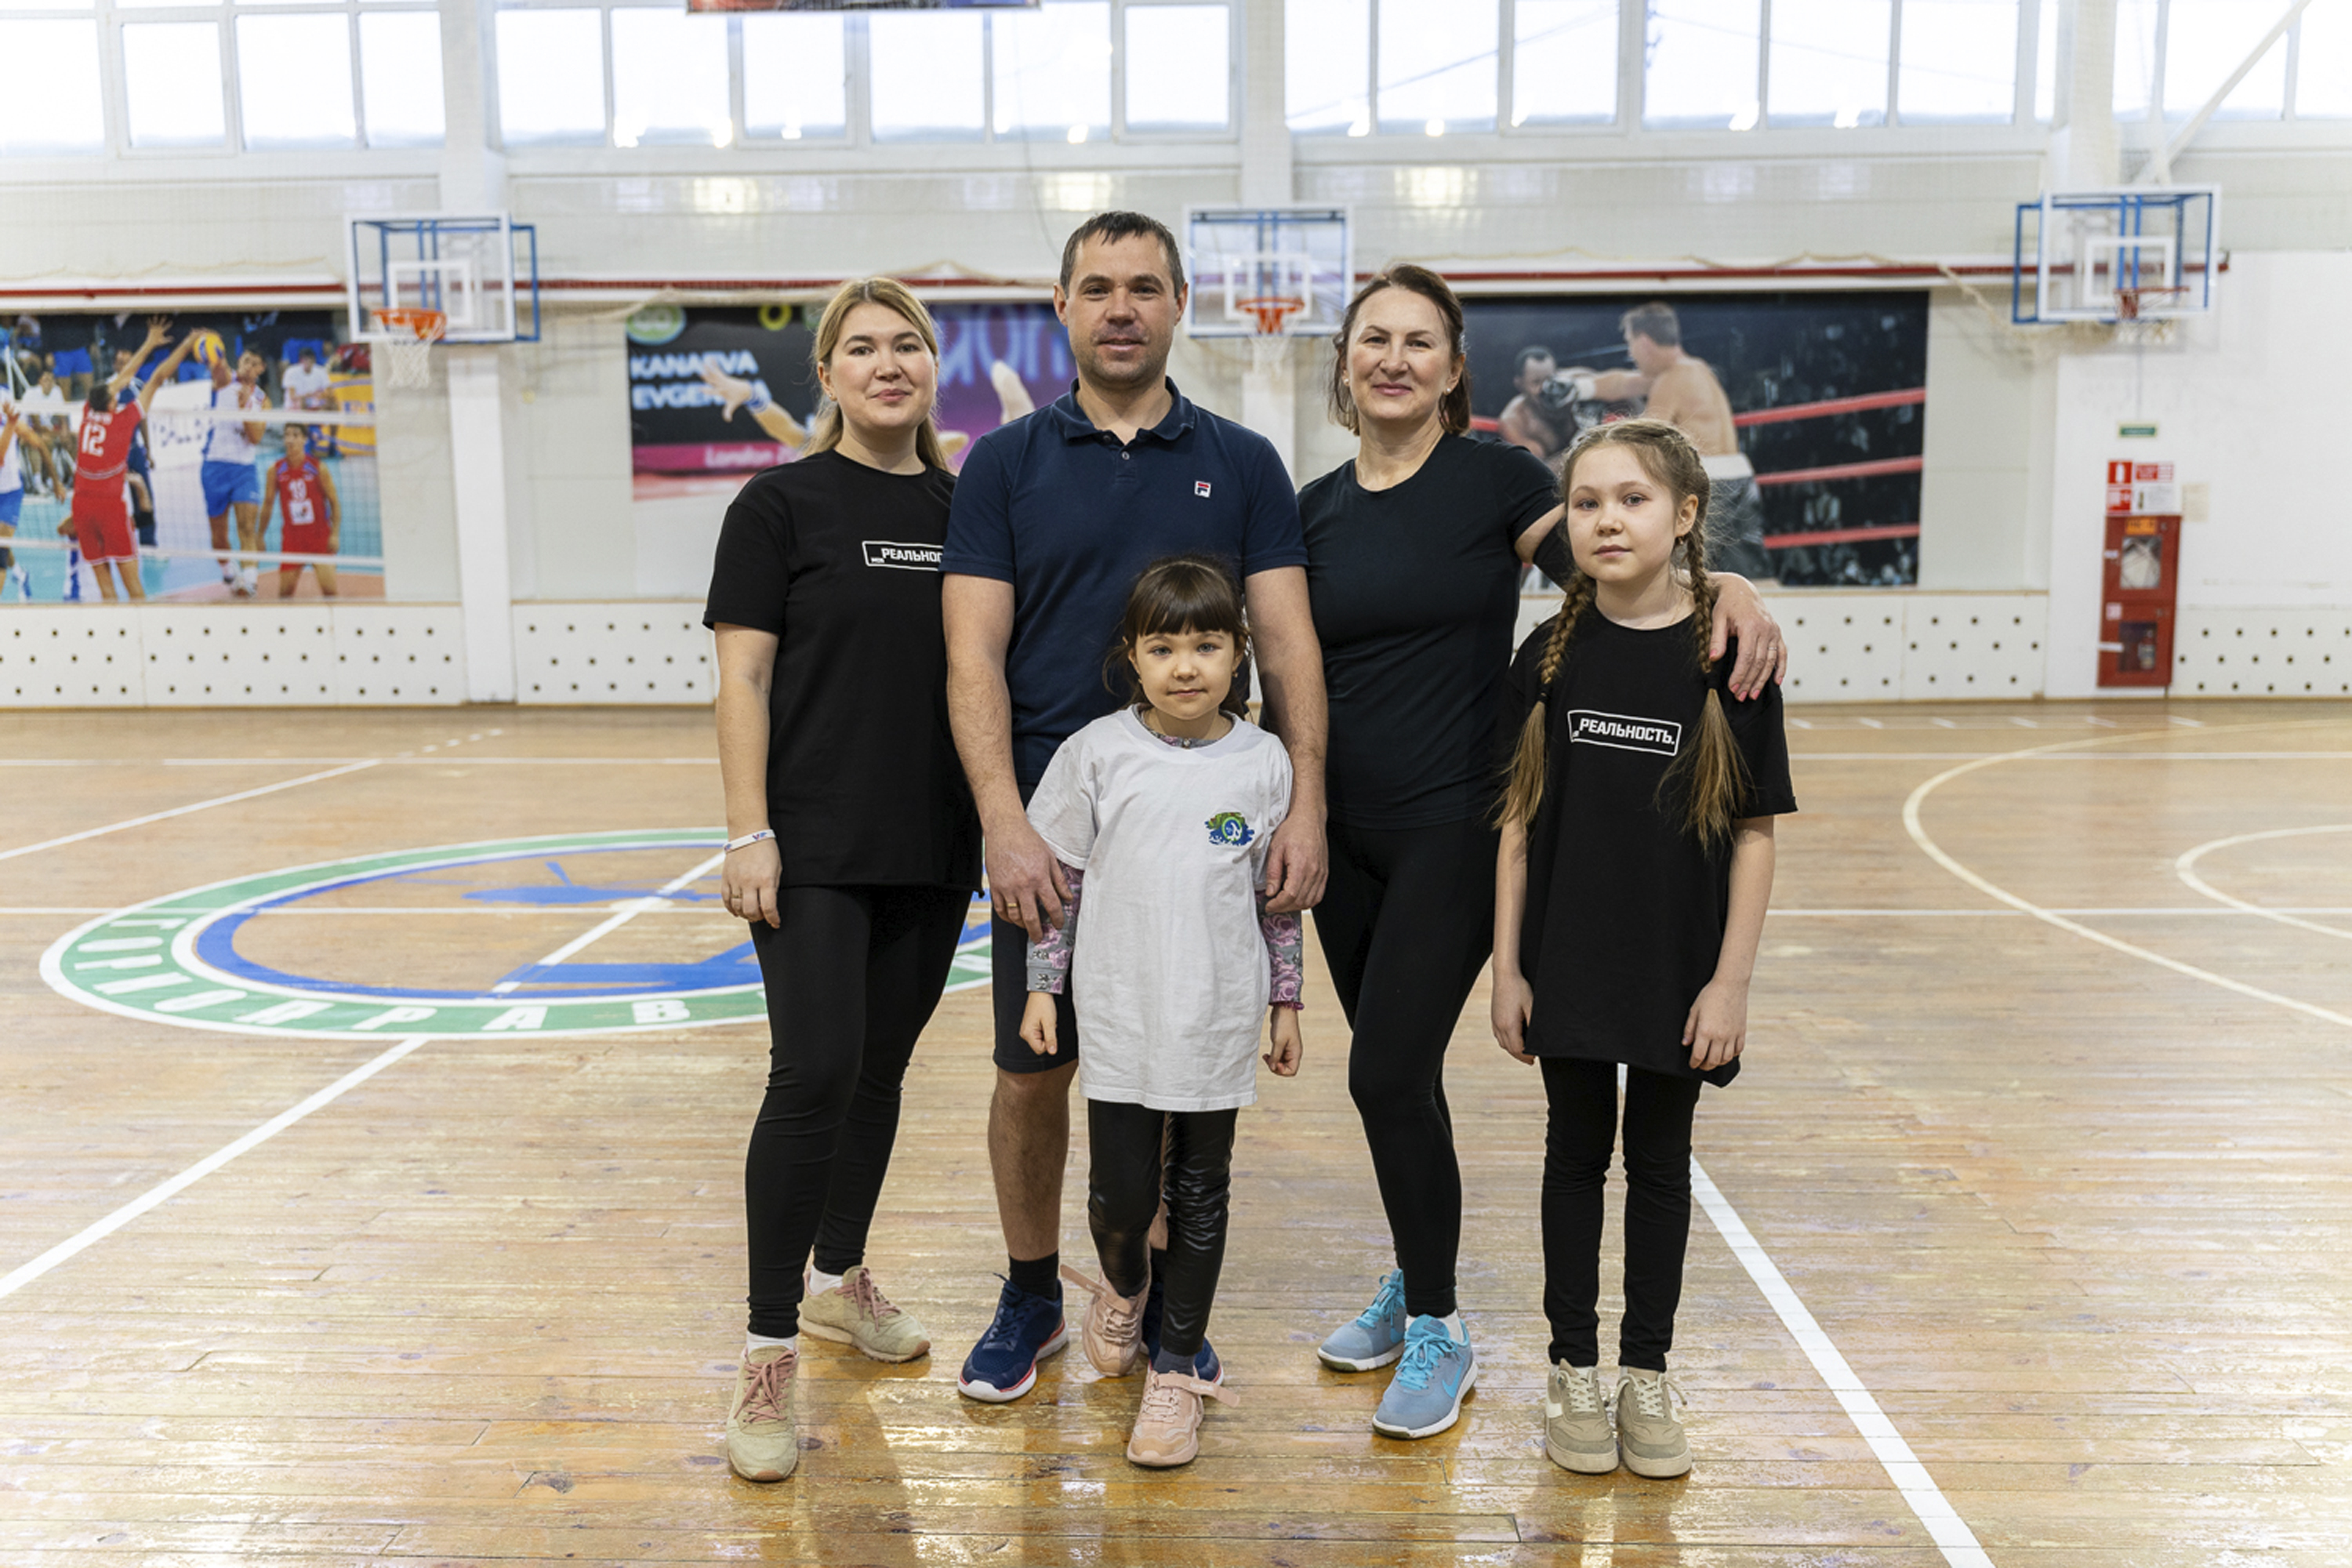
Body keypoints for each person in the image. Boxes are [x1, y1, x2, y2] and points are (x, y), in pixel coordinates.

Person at [1298, 267, 1785, 1441]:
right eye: (1374, 338)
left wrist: (1731, 586)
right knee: (1398, 1077)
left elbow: (1616, 572)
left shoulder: (1499, 480)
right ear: (1346, 359)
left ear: (1454, 367)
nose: (1395, 358)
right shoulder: (1311, 508)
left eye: (1420, 341)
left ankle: (1440, 1325)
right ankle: (1417, 1270)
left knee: (1382, 1074)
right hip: (1343, 838)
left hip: (1455, 828)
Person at [942, 209, 1329, 1403]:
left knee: (1172, 1081)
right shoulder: (1004, 463)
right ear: (1062, 305)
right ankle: (1031, 1292)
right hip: (1058, 827)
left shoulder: (1244, 462)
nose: (1122, 307)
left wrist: (1307, 803)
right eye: (1099, 287)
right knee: (1032, 1069)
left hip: (1199, 823)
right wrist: (1005, 821)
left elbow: (1287, 644)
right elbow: (972, 656)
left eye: (1145, 287)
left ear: (1178, 306)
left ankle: (1164, 1305)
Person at [703, 278, 982, 1485]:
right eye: (861, 347)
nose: (887, 363)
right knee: (813, 1073)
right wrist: (748, 831)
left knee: (879, 1073)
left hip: (936, 841)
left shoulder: (970, 510)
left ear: (933, 367)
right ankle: (768, 1351)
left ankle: (837, 1279)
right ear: (826, 374)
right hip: (813, 844)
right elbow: (743, 680)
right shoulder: (778, 505)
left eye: (906, 344)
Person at [1491, 419, 1794, 1480]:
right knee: (1574, 1156)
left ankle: (1647, 1372)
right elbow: (1515, 825)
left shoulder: (1728, 659)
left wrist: (1730, 983)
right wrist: (1507, 967)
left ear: (1686, 514)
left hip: (1679, 970)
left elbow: (1754, 835)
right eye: (1586, 503)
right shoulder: (1547, 655)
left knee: (1661, 1166)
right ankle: (1573, 1368)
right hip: (1567, 958)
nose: (1607, 520)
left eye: (1633, 499)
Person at [1016, 556, 1304, 1467]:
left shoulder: (1264, 760)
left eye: (1207, 646)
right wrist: (1042, 987)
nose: (1186, 666)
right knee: (1122, 1197)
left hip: (1218, 1015)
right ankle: (1126, 1284)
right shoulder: (1095, 753)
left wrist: (1286, 1000)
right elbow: (1059, 885)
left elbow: (1277, 900)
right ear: (1132, 656)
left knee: (1203, 1189)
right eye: (1164, 647)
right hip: (1119, 1013)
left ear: (1237, 653)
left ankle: (1176, 1372)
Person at [1559, 303, 1776, 580]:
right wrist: (1580, 387)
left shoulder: (1671, 380)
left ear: (1644, 342)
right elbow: (1623, 382)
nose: (1630, 353)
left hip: (1710, 486)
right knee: (1751, 574)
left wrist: (1593, 442)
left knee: (1679, 576)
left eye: (1630, 343)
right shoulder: (1695, 368)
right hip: (1741, 478)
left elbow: (1645, 443)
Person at [60, 320, 182, 604]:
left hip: (82, 505)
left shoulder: (88, 412)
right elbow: (154, 378)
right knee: (134, 587)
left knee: (107, 590)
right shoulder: (122, 421)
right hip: (109, 506)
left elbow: (122, 379)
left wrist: (148, 343)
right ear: (111, 403)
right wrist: (181, 345)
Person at [201, 347, 272, 596]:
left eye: (254, 363)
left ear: (261, 369)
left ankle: (250, 581)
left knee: (246, 527)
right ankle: (228, 571)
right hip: (215, 465)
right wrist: (209, 346)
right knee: (219, 535)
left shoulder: (262, 399)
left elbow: (255, 438)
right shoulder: (224, 381)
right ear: (239, 362)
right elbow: (217, 364)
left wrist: (244, 410)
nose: (248, 367)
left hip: (244, 469)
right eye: (245, 361)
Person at [260, 425, 341, 599]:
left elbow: (334, 502)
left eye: (296, 435)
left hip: (319, 537)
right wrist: (260, 536)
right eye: (287, 435)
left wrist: (334, 534)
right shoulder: (276, 470)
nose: (290, 440)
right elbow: (267, 504)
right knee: (285, 594)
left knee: (330, 592)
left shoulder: (318, 467)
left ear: (304, 440)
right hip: (293, 539)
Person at [1496, 345, 1576, 474]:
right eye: (1536, 382)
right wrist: (1582, 447)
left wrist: (1588, 389)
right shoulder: (1515, 421)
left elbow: (1612, 384)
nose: (1545, 388)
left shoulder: (1574, 384)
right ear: (1519, 384)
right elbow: (1540, 473)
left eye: (1550, 379)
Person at [2, 397, 38, 599]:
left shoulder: (6, 405)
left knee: (1, 548)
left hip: (10, 493)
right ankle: (20, 574)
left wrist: (56, 481)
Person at [282, 346, 336, 458]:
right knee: (303, 402)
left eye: (309, 360)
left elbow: (331, 393)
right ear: (300, 361)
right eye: (304, 360)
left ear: (313, 361)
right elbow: (293, 397)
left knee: (334, 405)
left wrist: (323, 396)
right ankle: (306, 445)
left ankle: (333, 444)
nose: (307, 363)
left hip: (315, 406)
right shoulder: (291, 372)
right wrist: (311, 394)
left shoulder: (320, 371)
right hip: (296, 407)